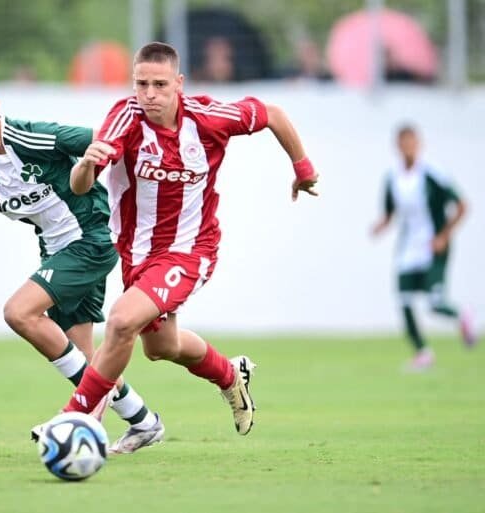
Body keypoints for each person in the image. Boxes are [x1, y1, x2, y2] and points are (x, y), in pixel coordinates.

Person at [57, 42, 319, 436]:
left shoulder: (209, 118)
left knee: (122, 320)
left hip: (190, 250)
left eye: (159, 84)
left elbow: (273, 115)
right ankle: (230, 375)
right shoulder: (125, 118)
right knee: (161, 347)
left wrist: (303, 168)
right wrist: (86, 164)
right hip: (137, 253)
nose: (149, 94)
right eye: (141, 84)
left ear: (179, 83)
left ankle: (73, 418)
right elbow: (80, 187)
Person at [0, 65, 164, 453]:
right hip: (56, 249)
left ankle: (82, 410)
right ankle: (143, 421)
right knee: (87, 357)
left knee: (19, 312)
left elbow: (104, 139)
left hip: (92, 239)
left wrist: (143, 174)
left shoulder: (32, 136)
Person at [371, 125, 476, 371]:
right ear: (397, 146)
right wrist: (381, 226)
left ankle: (462, 316)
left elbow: (462, 205)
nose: (408, 147)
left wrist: (444, 235)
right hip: (408, 247)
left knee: (435, 302)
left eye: (412, 142)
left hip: (433, 245)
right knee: (404, 300)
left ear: (419, 144)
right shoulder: (393, 178)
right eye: (403, 143)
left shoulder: (432, 174)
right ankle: (423, 352)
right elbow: (390, 212)